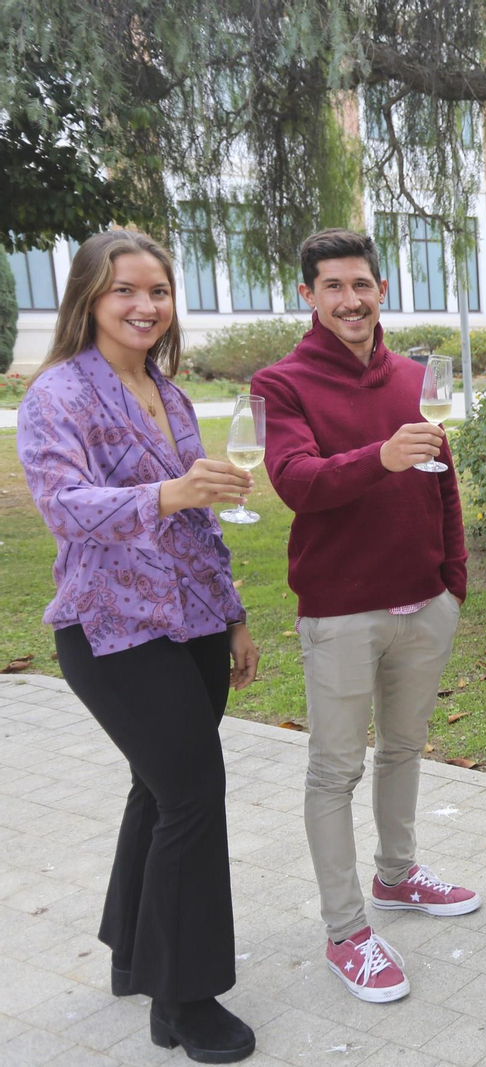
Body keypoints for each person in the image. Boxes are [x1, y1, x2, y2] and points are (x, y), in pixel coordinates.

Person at [17, 231, 261, 1062]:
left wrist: (232, 613)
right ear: (88, 295)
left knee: (158, 794)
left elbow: (195, 525)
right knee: (193, 793)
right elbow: (63, 505)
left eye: (158, 290)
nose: (145, 305)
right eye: (126, 290)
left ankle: (132, 952)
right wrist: (166, 490)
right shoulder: (60, 393)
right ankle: (184, 1001)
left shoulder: (170, 393)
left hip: (192, 623)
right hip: (111, 630)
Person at [252, 229, 478, 1005]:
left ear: (381, 290)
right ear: (308, 296)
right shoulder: (279, 383)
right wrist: (379, 456)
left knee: (406, 748)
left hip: (425, 605)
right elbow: (295, 481)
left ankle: (397, 876)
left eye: (363, 284)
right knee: (334, 769)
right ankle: (346, 929)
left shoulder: (416, 375)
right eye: (334, 286)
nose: (352, 299)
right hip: (342, 612)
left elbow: (442, 477)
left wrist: (453, 578)